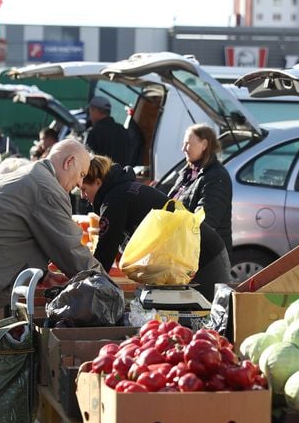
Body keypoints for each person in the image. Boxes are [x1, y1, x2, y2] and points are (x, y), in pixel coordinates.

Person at [0, 138, 103, 423]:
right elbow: (72, 253)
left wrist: (42, 275)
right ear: (68, 163)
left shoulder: (27, 175)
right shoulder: (45, 187)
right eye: (80, 174)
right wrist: (106, 285)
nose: (80, 184)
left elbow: (13, 235)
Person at [82, 155, 230, 300]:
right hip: (194, 258)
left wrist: (83, 286)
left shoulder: (115, 199)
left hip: (205, 258)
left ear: (97, 182)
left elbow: (105, 252)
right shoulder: (123, 190)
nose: (82, 195)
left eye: (83, 188)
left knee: (211, 317)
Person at [167, 123, 233, 257]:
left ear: (204, 145)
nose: (183, 148)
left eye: (188, 144)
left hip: (207, 259)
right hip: (182, 252)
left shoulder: (217, 176)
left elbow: (204, 221)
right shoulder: (186, 173)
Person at [85, 96, 131, 166]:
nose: (90, 114)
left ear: (94, 110)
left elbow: (87, 159)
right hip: (121, 175)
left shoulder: (93, 132)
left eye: (90, 110)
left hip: (101, 175)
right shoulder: (122, 130)